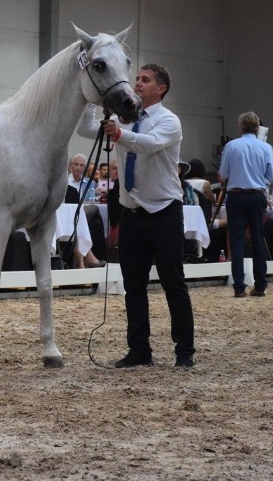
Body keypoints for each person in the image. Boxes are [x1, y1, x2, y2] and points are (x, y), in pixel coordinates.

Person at [77, 63, 195, 368]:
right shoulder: (122, 118)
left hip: (164, 212)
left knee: (173, 282)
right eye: (137, 79)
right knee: (133, 285)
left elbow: (150, 145)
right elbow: (85, 129)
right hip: (131, 214)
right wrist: (93, 102)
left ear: (161, 89)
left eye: (145, 80)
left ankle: (184, 351)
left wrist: (119, 135)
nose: (137, 84)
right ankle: (139, 350)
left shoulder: (169, 121)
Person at [219, 111, 273, 298]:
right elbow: (272, 176)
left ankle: (238, 286)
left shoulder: (231, 146)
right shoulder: (266, 147)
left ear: (240, 126)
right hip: (257, 195)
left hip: (236, 196)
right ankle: (260, 285)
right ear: (257, 127)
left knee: (236, 240)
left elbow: (224, 173)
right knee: (258, 238)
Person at [66, 153, 107, 269]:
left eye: (82, 165)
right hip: (68, 216)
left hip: (82, 214)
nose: (78, 168)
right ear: (70, 166)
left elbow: (92, 201)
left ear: (85, 168)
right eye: (76, 164)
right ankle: (85, 260)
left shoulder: (91, 184)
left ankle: (82, 263)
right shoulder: (64, 183)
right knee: (89, 221)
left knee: (92, 216)